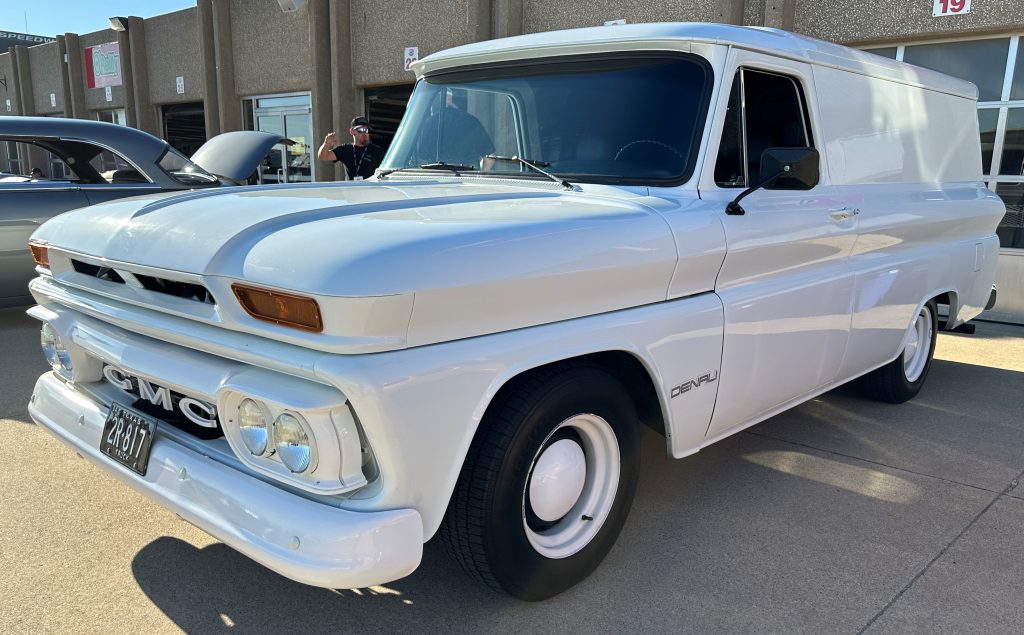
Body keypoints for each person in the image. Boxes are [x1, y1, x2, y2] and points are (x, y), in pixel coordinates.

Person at [317, 116, 385, 180]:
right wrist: (326, 144)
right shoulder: (345, 149)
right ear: (352, 131)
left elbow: (388, 171)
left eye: (367, 130)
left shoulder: (377, 151)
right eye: (361, 129)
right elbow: (323, 156)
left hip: (370, 190)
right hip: (351, 190)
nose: (365, 133)